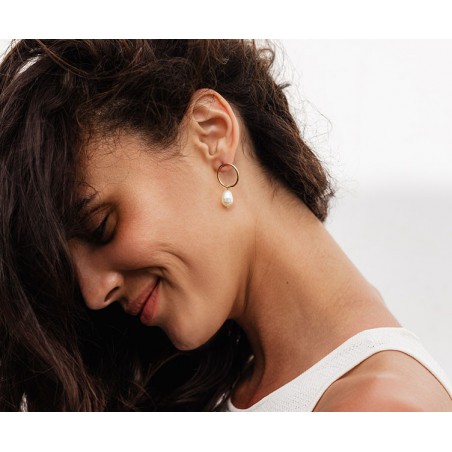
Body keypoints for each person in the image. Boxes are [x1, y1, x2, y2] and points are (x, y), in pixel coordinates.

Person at [0, 39, 450, 412]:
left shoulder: (383, 410)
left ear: (211, 133)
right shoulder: (221, 380)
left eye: (102, 226)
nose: (94, 293)